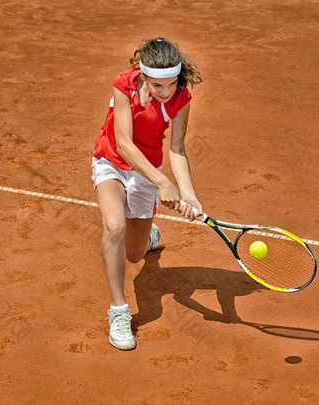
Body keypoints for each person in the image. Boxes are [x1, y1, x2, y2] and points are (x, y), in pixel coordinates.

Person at [91, 37, 204, 350]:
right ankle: (119, 311)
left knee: (135, 254)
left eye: (170, 84)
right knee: (113, 225)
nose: (165, 92)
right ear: (142, 76)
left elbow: (177, 149)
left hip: (145, 173)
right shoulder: (124, 85)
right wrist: (163, 183)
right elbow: (124, 144)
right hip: (111, 162)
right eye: (157, 85)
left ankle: (147, 233)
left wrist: (188, 193)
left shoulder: (181, 98)